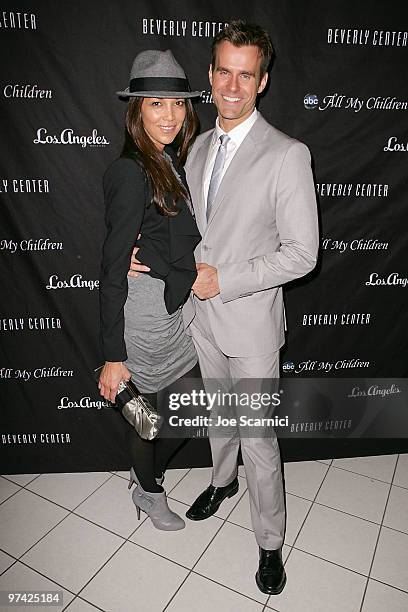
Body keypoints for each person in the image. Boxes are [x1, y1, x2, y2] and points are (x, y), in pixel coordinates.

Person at [130, 20, 319, 594]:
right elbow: (189, 233)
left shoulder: (288, 154)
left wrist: (226, 280)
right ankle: (221, 479)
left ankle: (269, 542)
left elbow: (303, 254)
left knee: (259, 437)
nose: (233, 86)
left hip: (251, 322)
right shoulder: (197, 145)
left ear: (262, 82)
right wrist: (151, 259)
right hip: (201, 321)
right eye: (223, 72)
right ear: (210, 76)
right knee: (218, 416)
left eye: (247, 75)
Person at [98, 49, 202, 531]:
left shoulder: (170, 161)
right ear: (136, 110)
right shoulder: (130, 170)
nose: (169, 115)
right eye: (156, 104)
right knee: (150, 419)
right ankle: (149, 490)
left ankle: (145, 476)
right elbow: (111, 268)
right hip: (143, 317)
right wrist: (113, 355)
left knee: (192, 411)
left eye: (177, 104)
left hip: (177, 309)